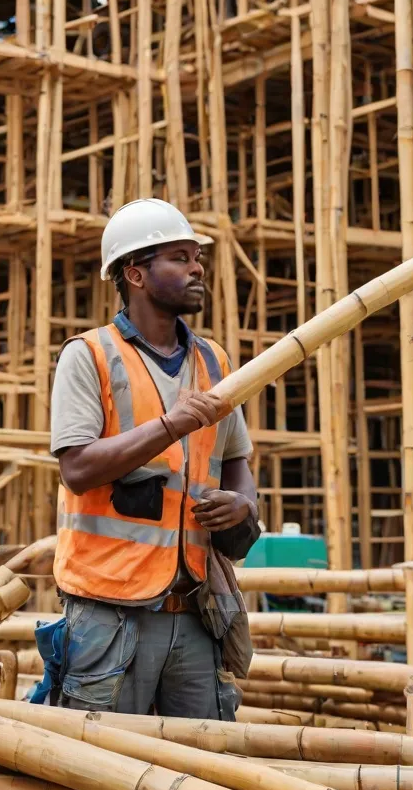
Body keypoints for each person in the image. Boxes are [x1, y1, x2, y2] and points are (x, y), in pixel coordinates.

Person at [48, 197, 258, 719]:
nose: (197, 267)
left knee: (203, 770)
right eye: (180, 258)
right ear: (135, 274)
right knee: (99, 770)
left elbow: (237, 465)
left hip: (195, 608)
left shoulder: (215, 361)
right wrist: (169, 426)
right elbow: (77, 469)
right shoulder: (89, 355)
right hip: (108, 612)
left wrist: (242, 507)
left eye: (196, 257)